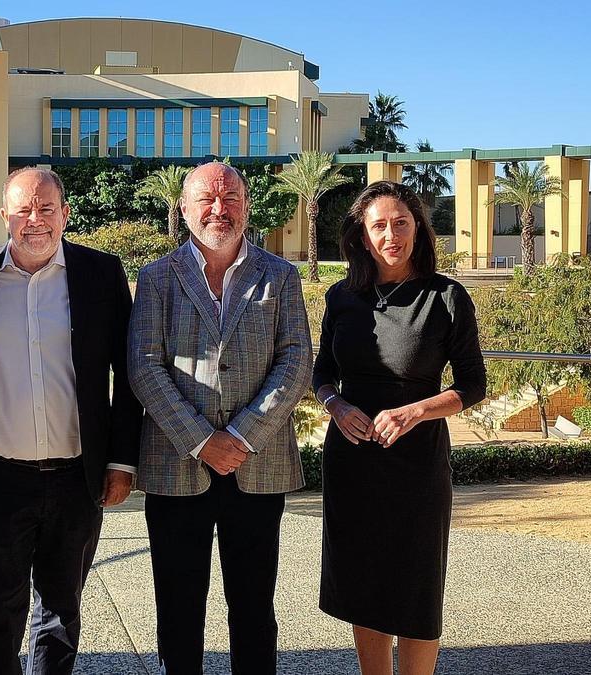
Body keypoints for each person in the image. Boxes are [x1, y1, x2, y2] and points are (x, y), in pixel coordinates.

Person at [0, 167, 142, 675]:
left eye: (46, 208)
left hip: (78, 475)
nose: (36, 220)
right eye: (24, 210)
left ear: (64, 213)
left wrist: (121, 461)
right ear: (5, 216)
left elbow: (129, 373)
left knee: (60, 612)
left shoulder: (101, 273)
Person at [128, 161, 313, 675]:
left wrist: (239, 436)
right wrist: (202, 440)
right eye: (206, 198)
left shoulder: (280, 276)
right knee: (178, 608)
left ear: (247, 207)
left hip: (256, 465)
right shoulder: (157, 278)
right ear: (183, 208)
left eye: (230, 197)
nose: (218, 208)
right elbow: (144, 366)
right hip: (177, 465)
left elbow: (296, 361)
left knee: (254, 608)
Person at [313, 181, 486, 675]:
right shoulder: (341, 298)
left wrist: (415, 412)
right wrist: (336, 406)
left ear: (418, 228)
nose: (391, 235)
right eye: (379, 225)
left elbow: (473, 385)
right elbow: (322, 373)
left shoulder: (447, 297)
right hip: (352, 460)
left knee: (415, 587)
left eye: (401, 222)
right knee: (362, 585)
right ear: (362, 237)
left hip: (417, 465)